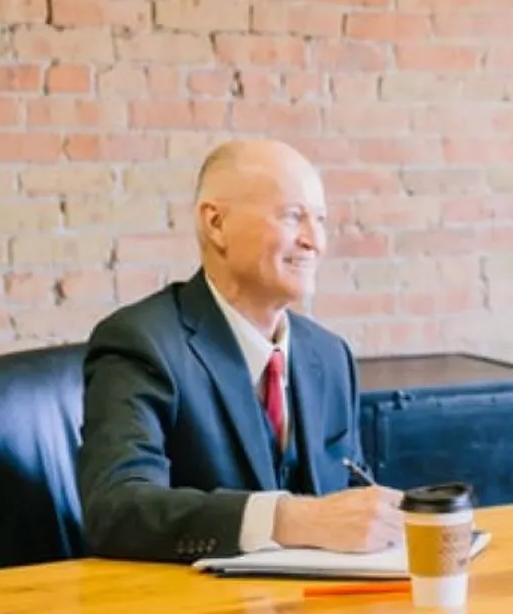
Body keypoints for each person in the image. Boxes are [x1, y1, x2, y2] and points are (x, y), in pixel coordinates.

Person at [76, 139, 404, 563]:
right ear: (216, 224)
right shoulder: (140, 342)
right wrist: (288, 519)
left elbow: (350, 499)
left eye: (320, 220)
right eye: (292, 216)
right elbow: (116, 511)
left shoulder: (329, 355)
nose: (315, 241)